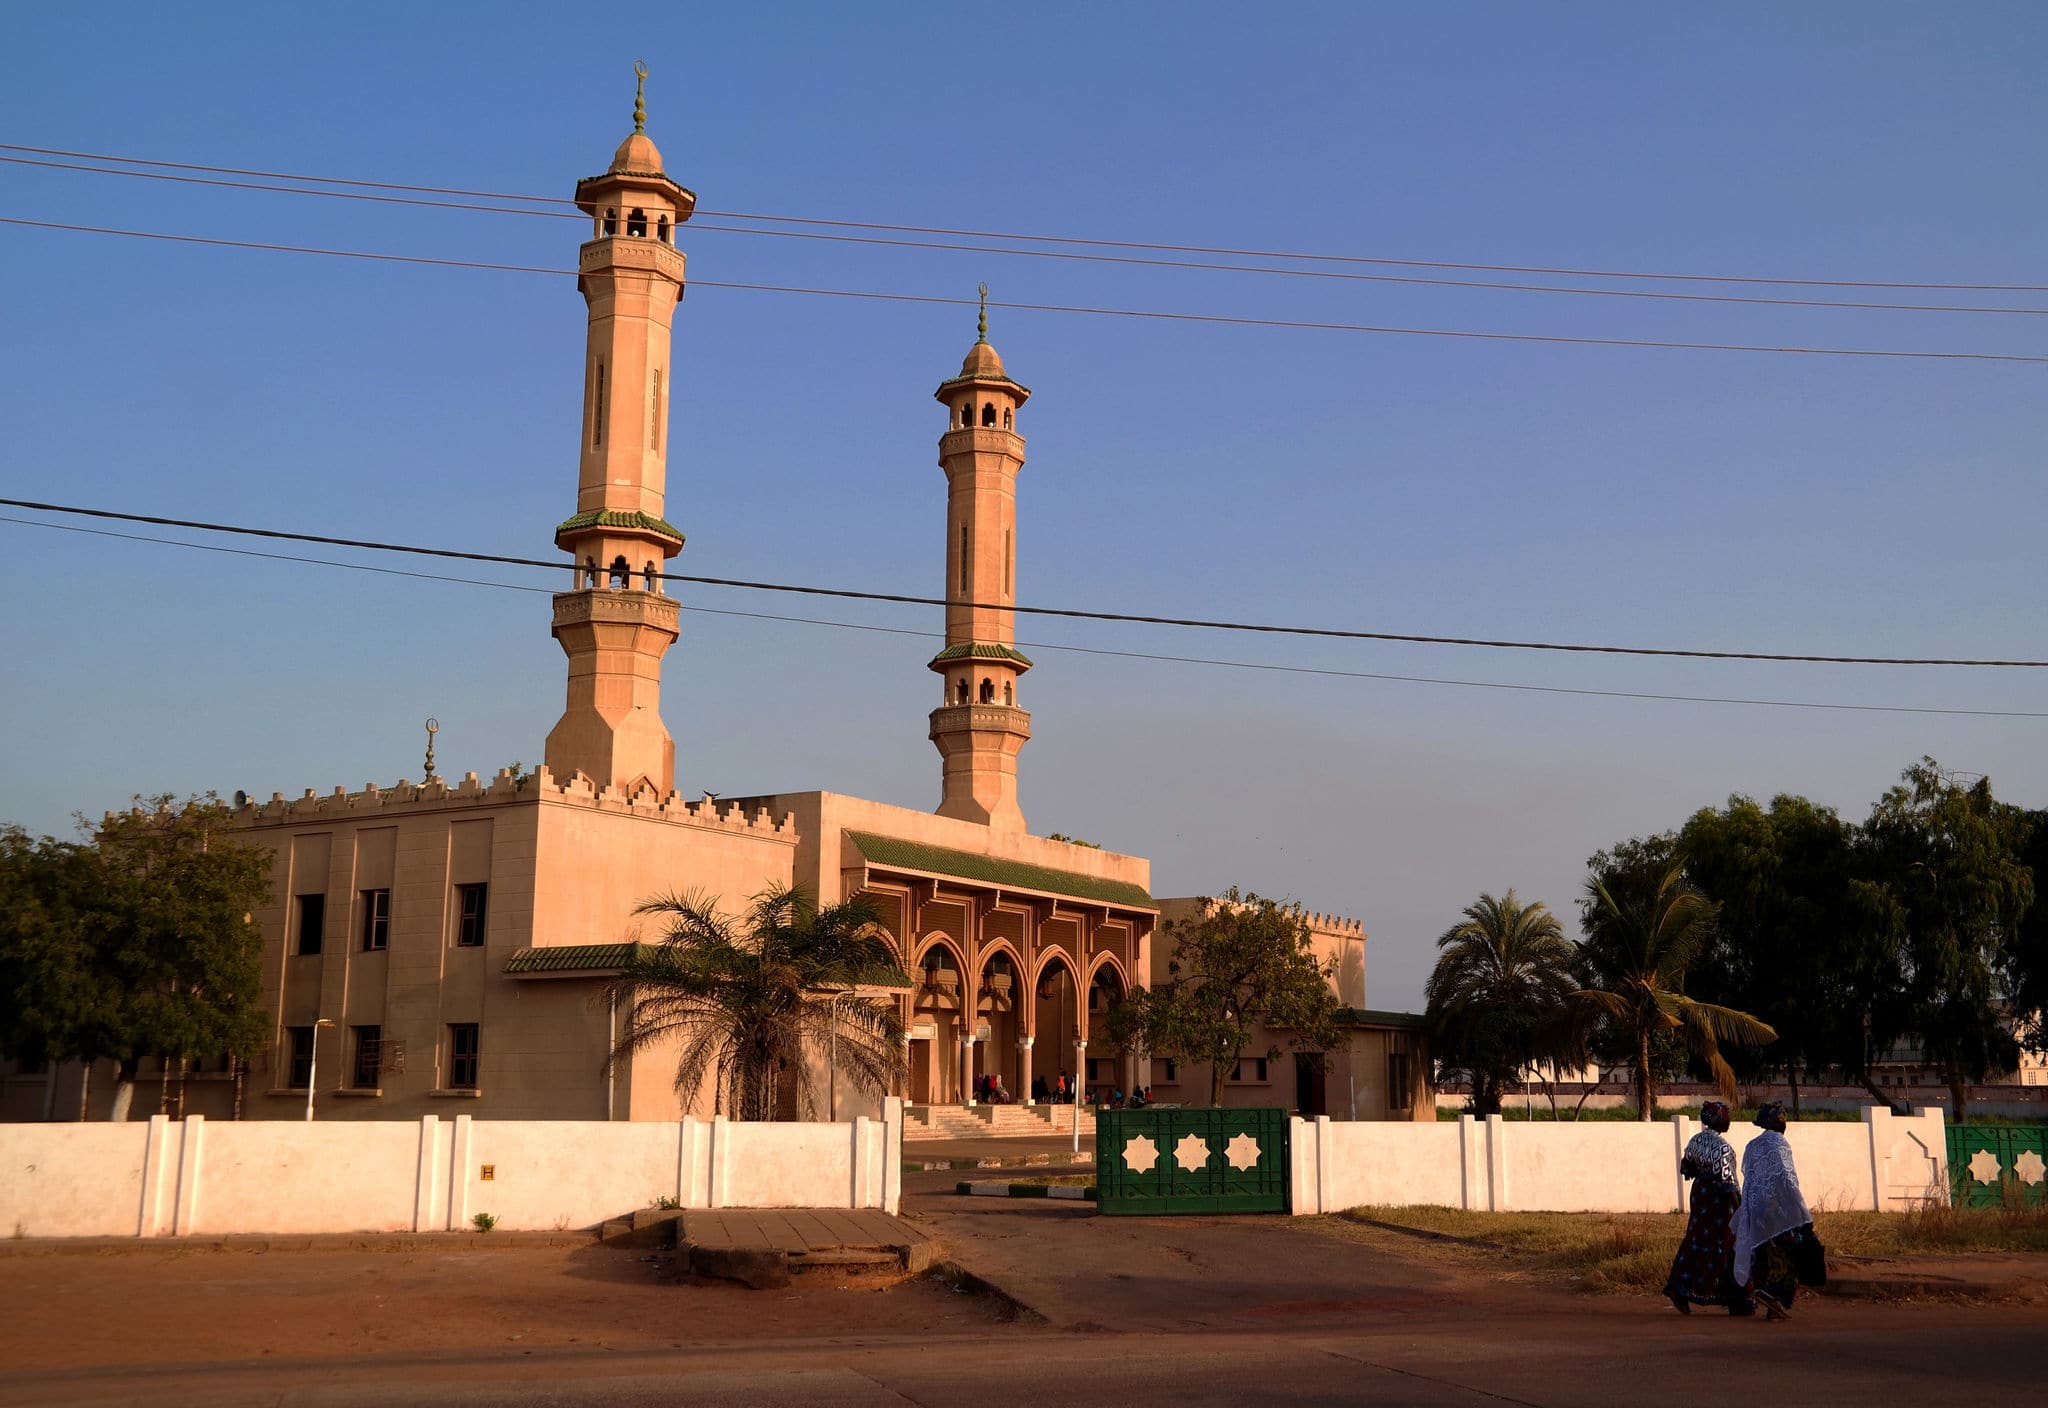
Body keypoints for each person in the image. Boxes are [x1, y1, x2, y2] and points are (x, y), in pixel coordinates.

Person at [1664, 1100, 1745, 1315]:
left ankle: (1679, 1288)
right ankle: (1736, 1300)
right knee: (1728, 1244)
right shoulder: (1724, 1148)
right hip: (1719, 1201)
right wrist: (1741, 1209)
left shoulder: (1695, 1141)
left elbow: (1686, 1168)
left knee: (1696, 1239)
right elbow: (1729, 1184)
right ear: (1720, 1121)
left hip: (1700, 1196)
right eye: (1726, 1117)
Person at [1733, 1102, 1813, 1320]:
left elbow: (1749, 1179)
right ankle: (1771, 1296)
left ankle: (1771, 1304)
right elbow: (1787, 1178)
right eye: (1781, 1119)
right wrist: (1798, 1206)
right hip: (1779, 1210)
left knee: (1762, 1252)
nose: (1784, 1123)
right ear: (1776, 1123)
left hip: (1757, 1208)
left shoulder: (1752, 1145)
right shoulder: (1780, 1144)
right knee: (1790, 1253)